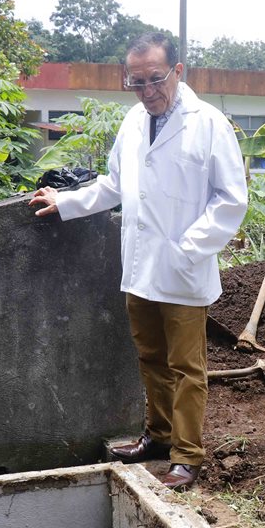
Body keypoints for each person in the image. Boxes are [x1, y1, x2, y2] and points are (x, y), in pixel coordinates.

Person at [30, 33, 247, 490]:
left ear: (178, 72)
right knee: (150, 357)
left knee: (187, 368)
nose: (147, 91)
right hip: (140, 266)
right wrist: (66, 202)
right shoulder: (132, 121)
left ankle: (187, 456)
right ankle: (159, 436)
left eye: (155, 79)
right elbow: (114, 184)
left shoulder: (209, 124)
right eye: (137, 82)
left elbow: (231, 201)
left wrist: (187, 249)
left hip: (184, 270)